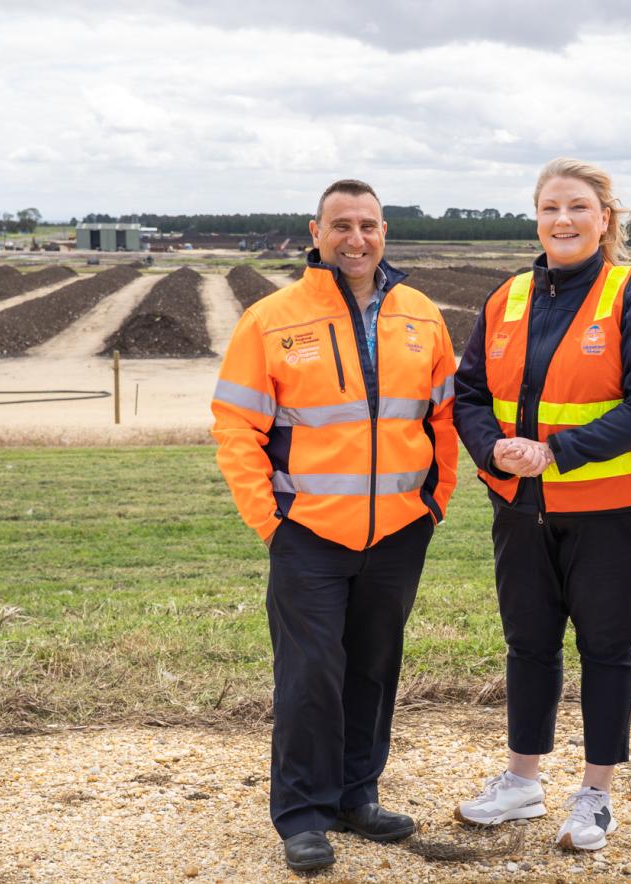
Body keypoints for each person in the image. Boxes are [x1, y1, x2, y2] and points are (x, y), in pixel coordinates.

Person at [212, 179, 459, 873]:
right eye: (342, 224)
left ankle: (357, 795)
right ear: (315, 233)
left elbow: (442, 417)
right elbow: (236, 426)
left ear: (386, 233)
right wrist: (270, 520)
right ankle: (302, 815)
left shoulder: (420, 315)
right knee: (309, 673)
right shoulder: (271, 319)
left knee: (374, 668)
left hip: (399, 531)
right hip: (308, 533)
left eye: (370, 224)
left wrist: (434, 501)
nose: (357, 237)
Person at [452, 158, 631, 851]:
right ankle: (522, 781)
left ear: (605, 219)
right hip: (521, 509)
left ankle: (595, 795)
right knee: (528, 643)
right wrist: (494, 450)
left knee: (607, 648)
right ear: (537, 217)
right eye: (550, 207)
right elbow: (466, 393)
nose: (563, 220)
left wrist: (556, 451)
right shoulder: (508, 297)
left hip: (610, 512)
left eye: (578, 207)